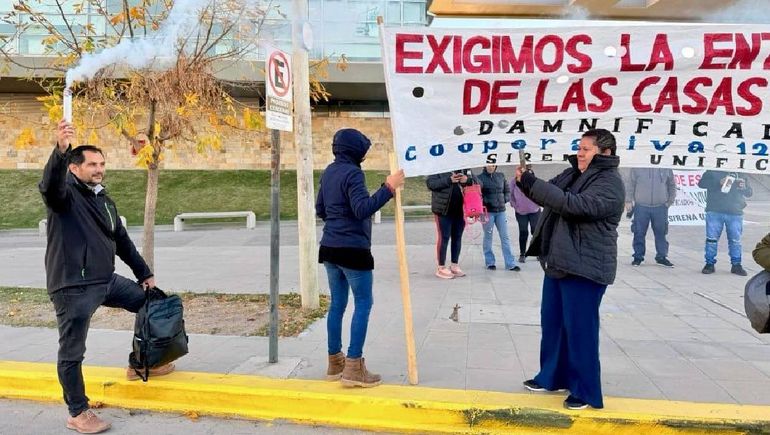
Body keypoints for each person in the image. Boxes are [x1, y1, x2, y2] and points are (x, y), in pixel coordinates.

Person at [40, 121, 173, 434]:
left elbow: (122, 241)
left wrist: (145, 274)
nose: (99, 169)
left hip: (105, 280)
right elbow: (49, 186)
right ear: (74, 168)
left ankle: (141, 362)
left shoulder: (103, 199)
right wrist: (59, 152)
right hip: (73, 286)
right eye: (92, 165)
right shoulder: (65, 195)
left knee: (150, 303)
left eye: (102, 164)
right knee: (72, 351)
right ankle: (77, 411)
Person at [515, 129, 624, 410]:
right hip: (559, 260)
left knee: (580, 330)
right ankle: (552, 376)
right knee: (552, 324)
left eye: (587, 149)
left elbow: (573, 205)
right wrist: (527, 181)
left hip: (585, 266)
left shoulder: (609, 182)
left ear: (605, 153)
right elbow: (548, 194)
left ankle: (585, 390)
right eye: (580, 148)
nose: (580, 153)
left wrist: (534, 184)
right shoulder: (573, 172)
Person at [316, 128, 405, 388]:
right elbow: (362, 209)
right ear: (356, 151)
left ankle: (335, 363)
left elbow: (320, 209)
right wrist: (389, 187)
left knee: (337, 305)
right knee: (363, 303)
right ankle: (354, 366)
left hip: (329, 247)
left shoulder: (329, 171)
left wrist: (336, 223)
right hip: (353, 249)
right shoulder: (353, 173)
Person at [698, 170, 752, 276]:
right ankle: (709, 264)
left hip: (735, 211)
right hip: (714, 210)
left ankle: (736, 265)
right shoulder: (712, 170)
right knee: (711, 239)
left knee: (735, 240)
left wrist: (744, 188)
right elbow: (701, 184)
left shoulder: (741, 172)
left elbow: (749, 192)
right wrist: (718, 182)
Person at [426, 169, 474, 279]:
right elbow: (430, 184)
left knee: (457, 237)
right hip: (443, 210)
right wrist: (449, 180)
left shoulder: (463, 167)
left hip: (460, 210)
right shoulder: (438, 167)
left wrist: (467, 180)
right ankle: (441, 267)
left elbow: (478, 183)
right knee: (444, 237)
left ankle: (454, 265)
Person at [626, 168, 676, 267]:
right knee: (638, 232)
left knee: (661, 233)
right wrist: (628, 200)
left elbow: (671, 184)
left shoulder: (666, 167)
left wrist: (670, 201)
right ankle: (638, 257)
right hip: (641, 206)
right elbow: (630, 184)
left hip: (660, 207)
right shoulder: (638, 167)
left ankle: (661, 257)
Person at [478, 165, 519, 271]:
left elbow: (507, 191)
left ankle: (510, 263)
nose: (490, 167)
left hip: (501, 211)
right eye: (488, 165)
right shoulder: (479, 178)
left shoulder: (500, 176)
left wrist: (505, 199)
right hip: (486, 212)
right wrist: (485, 202)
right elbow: (478, 194)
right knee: (488, 236)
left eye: (492, 165)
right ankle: (490, 262)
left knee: (505, 237)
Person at [509, 166, 541, 263]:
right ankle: (522, 253)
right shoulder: (513, 182)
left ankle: (538, 252)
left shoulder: (533, 179)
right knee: (523, 232)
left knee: (535, 231)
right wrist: (515, 205)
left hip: (534, 210)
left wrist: (538, 203)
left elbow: (540, 193)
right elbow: (510, 195)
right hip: (521, 212)